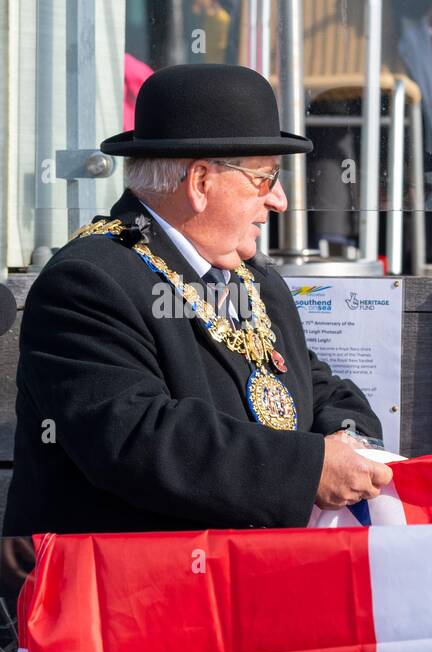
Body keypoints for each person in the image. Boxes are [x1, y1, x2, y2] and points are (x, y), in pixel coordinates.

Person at [4, 64, 392, 535]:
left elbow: (317, 387)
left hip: (239, 578)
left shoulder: (254, 278)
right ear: (201, 182)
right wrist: (310, 470)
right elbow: (140, 439)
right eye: (264, 179)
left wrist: (351, 444)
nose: (280, 200)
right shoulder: (89, 281)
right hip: (122, 593)